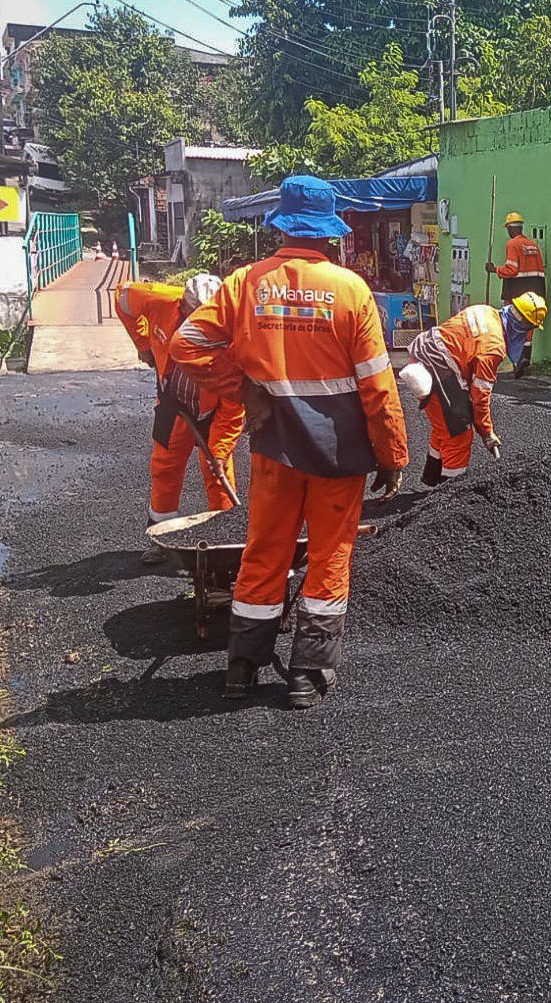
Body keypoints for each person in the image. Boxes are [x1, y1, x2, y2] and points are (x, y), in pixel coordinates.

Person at [169, 176, 409, 709]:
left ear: (281, 227)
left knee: (265, 550)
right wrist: (392, 455)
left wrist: (244, 391)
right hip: (339, 452)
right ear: (329, 235)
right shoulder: (350, 291)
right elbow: (376, 383)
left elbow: (188, 343)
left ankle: (242, 665)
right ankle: (306, 676)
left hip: (274, 445)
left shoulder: (245, 283)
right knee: (329, 556)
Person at [115, 274, 245, 565]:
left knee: (218, 473)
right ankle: (160, 538)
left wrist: (220, 452)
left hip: (213, 412)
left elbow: (234, 406)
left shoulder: (235, 337)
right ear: (183, 307)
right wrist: (143, 343)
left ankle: (223, 542)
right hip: (173, 402)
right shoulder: (159, 300)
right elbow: (123, 297)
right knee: (164, 467)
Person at [398, 292, 547, 486]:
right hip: (438, 366)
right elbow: (480, 398)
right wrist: (487, 433)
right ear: (524, 326)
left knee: (446, 424)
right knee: (459, 431)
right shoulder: (494, 347)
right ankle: (449, 499)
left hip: (423, 350)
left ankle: (431, 476)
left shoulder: (485, 310)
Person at [485, 211, 546, 304]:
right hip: (537, 295)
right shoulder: (533, 245)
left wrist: (494, 269)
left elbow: (511, 270)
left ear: (510, 228)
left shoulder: (513, 244)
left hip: (518, 295)